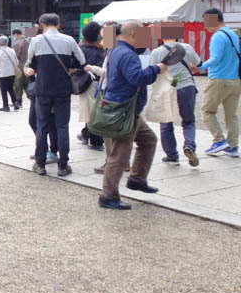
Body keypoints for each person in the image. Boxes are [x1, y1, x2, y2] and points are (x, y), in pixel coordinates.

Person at [98, 20, 167, 210]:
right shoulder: (127, 54)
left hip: (125, 108)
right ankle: (108, 195)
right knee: (119, 155)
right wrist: (157, 69)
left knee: (148, 140)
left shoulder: (117, 50)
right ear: (134, 35)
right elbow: (137, 78)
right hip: (125, 110)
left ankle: (137, 179)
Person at [25, 13, 86, 177]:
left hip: (42, 89)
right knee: (62, 126)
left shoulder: (36, 41)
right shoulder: (69, 40)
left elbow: (30, 64)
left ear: (42, 25)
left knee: (42, 126)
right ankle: (63, 164)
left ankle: (40, 163)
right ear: (58, 25)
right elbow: (81, 61)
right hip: (62, 89)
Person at [149, 32, 201, 166]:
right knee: (188, 121)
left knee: (166, 122)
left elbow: (152, 72)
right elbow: (198, 63)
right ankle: (189, 145)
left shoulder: (156, 52)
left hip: (168, 88)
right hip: (186, 86)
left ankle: (172, 156)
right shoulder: (187, 47)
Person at [196, 8, 241, 158]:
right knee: (231, 115)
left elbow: (215, 59)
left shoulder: (217, 37)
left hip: (219, 79)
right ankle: (233, 147)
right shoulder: (233, 34)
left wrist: (199, 65)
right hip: (235, 80)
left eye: (206, 21)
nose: (205, 26)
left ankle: (219, 140)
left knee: (207, 111)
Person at [77, 21, 106, 151]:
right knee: (95, 112)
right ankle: (93, 139)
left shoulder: (80, 48)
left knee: (90, 111)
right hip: (96, 83)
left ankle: (89, 136)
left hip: (83, 83)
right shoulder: (102, 51)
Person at [0, 35, 20, 112]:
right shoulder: (12, 50)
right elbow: (16, 62)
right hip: (12, 72)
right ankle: (15, 103)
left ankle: (6, 106)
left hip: (3, 73)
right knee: (11, 88)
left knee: (3, 90)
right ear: (7, 42)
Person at [11, 28, 30, 107]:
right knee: (27, 84)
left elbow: (15, 57)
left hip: (19, 67)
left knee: (18, 85)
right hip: (28, 67)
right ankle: (33, 98)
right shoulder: (28, 42)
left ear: (15, 34)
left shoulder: (16, 43)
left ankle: (18, 102)